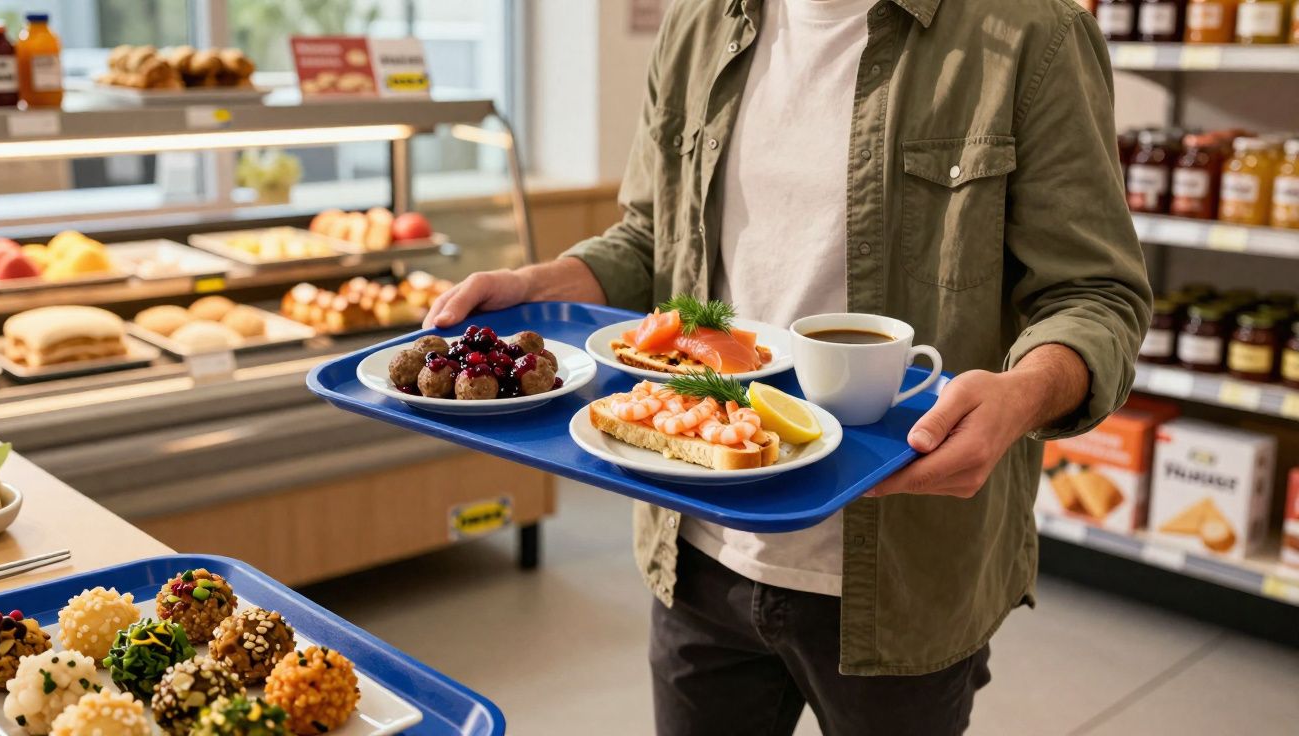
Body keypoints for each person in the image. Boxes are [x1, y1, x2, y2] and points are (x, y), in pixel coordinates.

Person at [427, 0, 1151, 732]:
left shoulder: (1034, 34)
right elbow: (650, 239)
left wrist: (1024, 394)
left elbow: (1095, 294)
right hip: (698, 544)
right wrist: (539, 286)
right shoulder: (699, 24)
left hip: (903, 574)